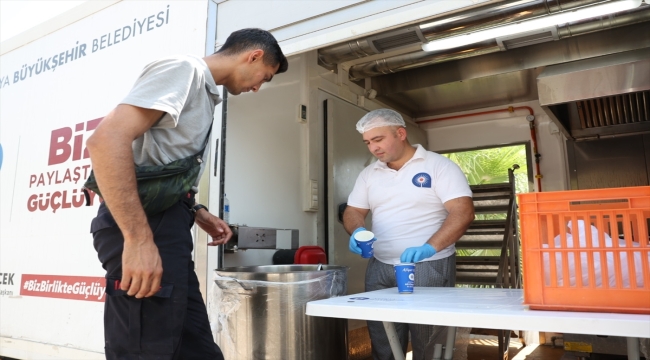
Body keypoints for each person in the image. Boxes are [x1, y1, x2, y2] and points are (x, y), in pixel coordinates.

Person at [86, 28, 288, 360]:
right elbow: (106, 141)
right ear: (254, 56)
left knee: (194, 347)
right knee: (146, 349)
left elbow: (158, 160)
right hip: (146, 225)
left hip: (169, 223)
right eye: (263, 78)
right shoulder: (185, 70)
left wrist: (196, 211)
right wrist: (138, 240)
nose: (256, 87)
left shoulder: (205, 92)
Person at [343, 109, 475, 360]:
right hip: (380, 266)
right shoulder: (369, 174)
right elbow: (353, 210)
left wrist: (430, 247)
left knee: (429, 341)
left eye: (378, 139)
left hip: (428, 265)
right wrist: (357, 230)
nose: (373, 148)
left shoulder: (439, 166)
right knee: (382, 339)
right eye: (368, 142)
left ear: (401, 133)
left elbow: (463, 212)